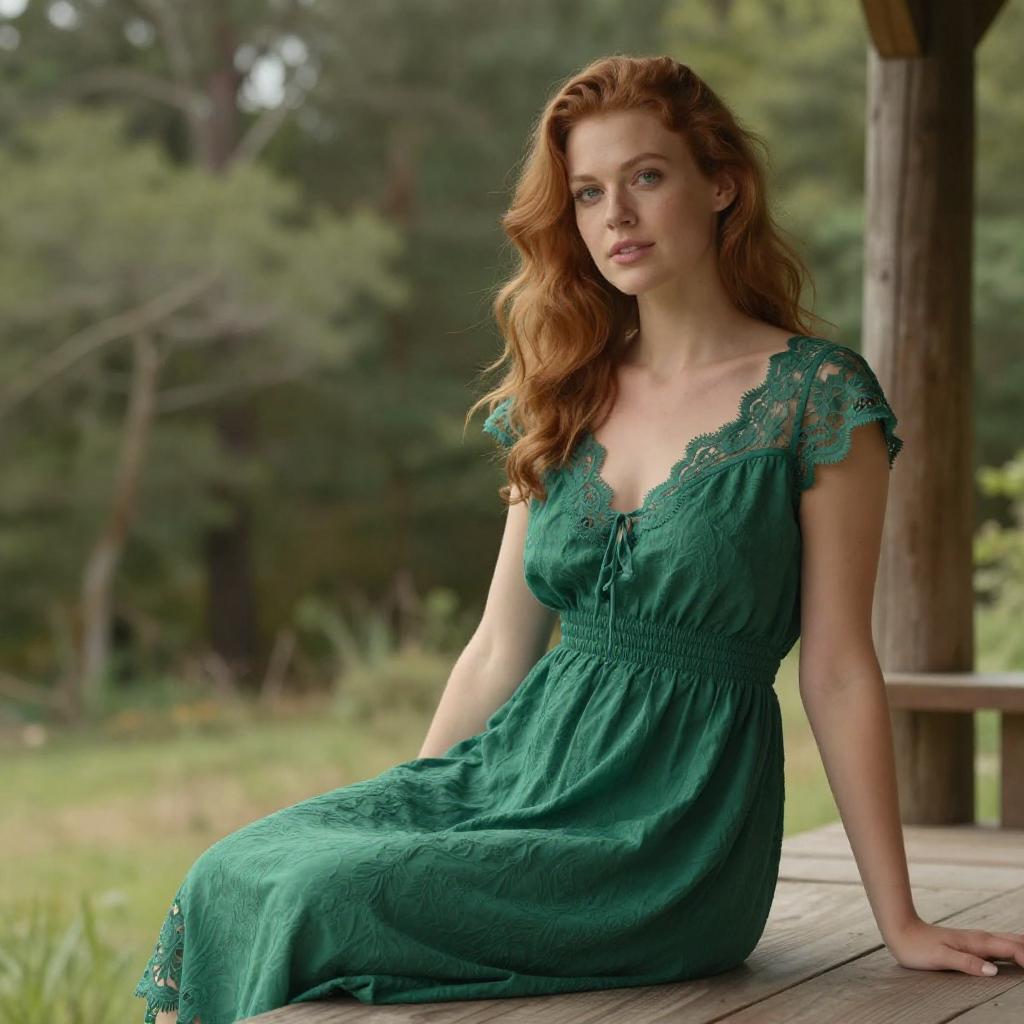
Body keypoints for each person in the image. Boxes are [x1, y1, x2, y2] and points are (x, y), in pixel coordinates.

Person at [134, 53, 1024, 1024]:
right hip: (519, 774)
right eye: (589, 192)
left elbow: (840, 669)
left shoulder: (816, 396)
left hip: (670, 834)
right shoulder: (563, 390)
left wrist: (899, 920)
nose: (616, 217)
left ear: (721, 184)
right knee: (234, 869)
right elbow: (497, 647)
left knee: (320, 895)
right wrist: (412, 808)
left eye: (647, 176)